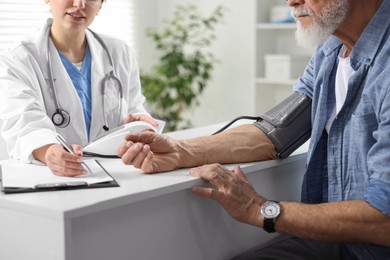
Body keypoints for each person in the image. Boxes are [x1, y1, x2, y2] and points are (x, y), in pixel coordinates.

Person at [116, 0, 390, 258]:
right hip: (339, 245)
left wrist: (259, 209)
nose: (291, 1)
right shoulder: (330, 51)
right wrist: (180, 150)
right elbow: (275, 132)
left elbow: (384, 218)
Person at [0, 0, 158, 177]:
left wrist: (137, 127)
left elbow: (134, 107)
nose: (80, 4)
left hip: (118, 174)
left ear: (100, 5)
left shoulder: (120, 52)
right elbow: (22, 122)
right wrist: (48, 151)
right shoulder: (17, 58)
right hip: (49, 179)